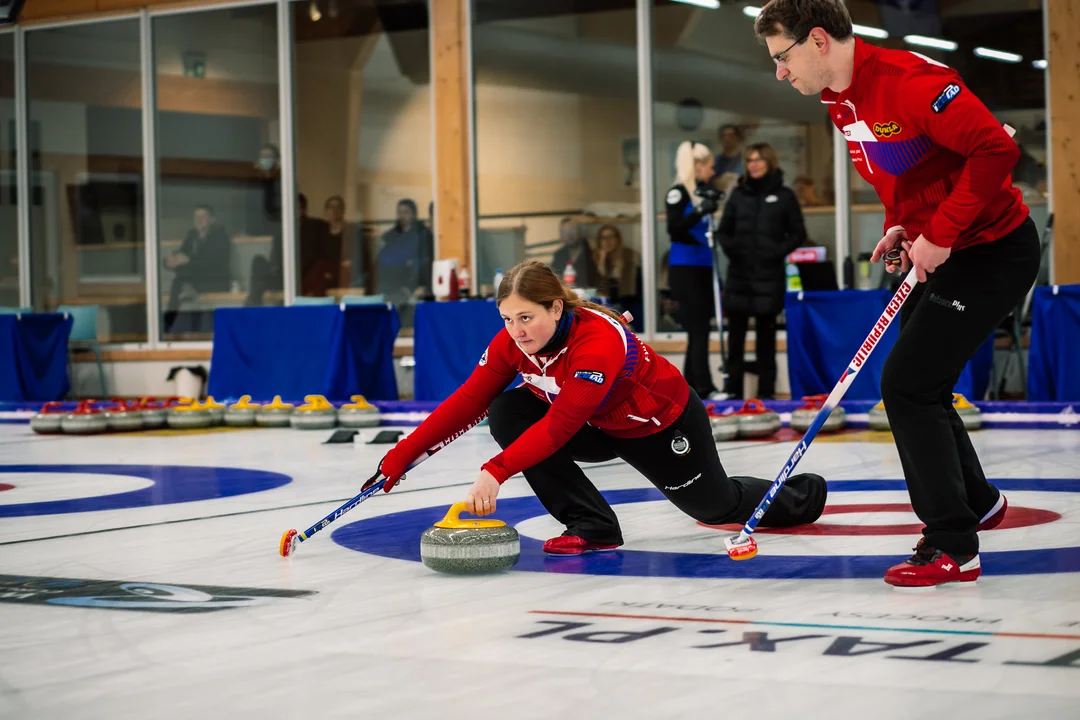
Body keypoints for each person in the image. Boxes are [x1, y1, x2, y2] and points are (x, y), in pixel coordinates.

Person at [754, 0, 1038, 586]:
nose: (781, 72)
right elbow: (903, 174)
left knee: (905, 386)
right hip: (943, 247)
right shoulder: (840, 102)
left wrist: (942, 232)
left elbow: (996, 152)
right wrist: (905, 225)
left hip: (993, 249)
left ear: (817, 41)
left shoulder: (911, 82)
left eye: (783, 57)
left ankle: (952, 544)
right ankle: (978, 502)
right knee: (922, 384)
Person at [370, 260, 827, 554]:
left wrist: (495, 470)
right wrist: (401, 456)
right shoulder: (515, 343)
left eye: (526, 317)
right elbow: (468, 401)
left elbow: (561, 425)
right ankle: (592, 526)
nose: (517, 331)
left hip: (656, 425)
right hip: (592, 425)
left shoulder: (596, 341)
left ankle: (803, 496)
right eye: (508, 320)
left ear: (554, 307)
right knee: (508, 411)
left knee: (713, 506)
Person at [716, 142, 807, 399]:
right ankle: (732, 391)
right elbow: (724, 231)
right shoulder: (738, 194)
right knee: (736, 339)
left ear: (769, 162)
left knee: (765, 340)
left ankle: (767, 394)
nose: (753, 165)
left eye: (758, 160)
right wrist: (735, 250)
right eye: (750, 160)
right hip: (739, 277)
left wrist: (775, 252)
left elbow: (798, 233)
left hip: (769, 276)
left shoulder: (784, 195)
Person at [665, 141, 724, 400]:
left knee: (700, 328)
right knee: (698, 327)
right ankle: (703, 385)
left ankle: (692, 385)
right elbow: (675, 229)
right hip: (685, 267)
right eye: (709, 166)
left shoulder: (701, 191)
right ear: (697, 166)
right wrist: (699, 210)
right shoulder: (678, 192)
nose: (712, 172)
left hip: (703, 265)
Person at [163, 205, 231, 331]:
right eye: (196, 217)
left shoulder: (220, 236)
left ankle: (169, 322)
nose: (198, 220)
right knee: (180, 278)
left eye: (203, 217)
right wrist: (171, 261)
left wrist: (188, 260)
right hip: (196, 280)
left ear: (212, 219)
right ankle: (186, 291)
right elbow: (183, 255)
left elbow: (213, 262)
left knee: (180, 281)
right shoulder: (192, 235)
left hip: (215, 281)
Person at [376, 199, 434, 322]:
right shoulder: (389, 237)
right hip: (392, 285)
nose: (402, 216)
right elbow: (382, 262)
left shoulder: (423, 234)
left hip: (413, 287)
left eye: (406, 212)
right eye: (399, 212)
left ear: (414, 214)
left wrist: (414, 286)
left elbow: (422, 263)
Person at [592, 224, 640, 309]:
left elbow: (628, 285)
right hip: (605, 302)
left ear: (617, 239)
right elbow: (598, 288)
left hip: (628, 301)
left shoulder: (628, 255)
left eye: (611, 237)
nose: (607, 241)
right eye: (603, 238)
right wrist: (601, 262)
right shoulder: (596, 257)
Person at [550, 218, 598, 288]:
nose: (569, 235)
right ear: (561, 236)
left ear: (580, 232)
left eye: (573, 230)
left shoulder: (591, 252)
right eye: (564, 232)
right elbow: (554, 280)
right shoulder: (558, 255)